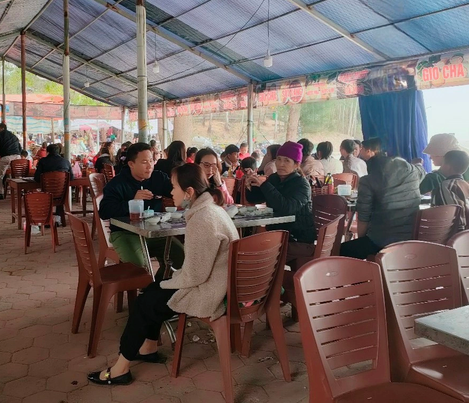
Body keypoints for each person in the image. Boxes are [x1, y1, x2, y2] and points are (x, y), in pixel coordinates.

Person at [88, 163, 238, 386]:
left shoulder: (203, 219)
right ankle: (148, 347)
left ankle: (120, 369)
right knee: (155, 288)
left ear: (189, 192)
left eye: (175, 187)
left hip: (210, 291)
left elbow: (195, 275)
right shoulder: (212, 210)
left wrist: (170, 281)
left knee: (145, 302)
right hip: (219, 282)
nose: (171, 192)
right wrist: (170, 280)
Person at [99, 143, 184, 280]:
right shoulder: (117, 184)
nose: (150, 166)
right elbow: (104, 211)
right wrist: (132, 201)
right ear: (131, 164)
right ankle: (147, 291)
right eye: (144, 162)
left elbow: (177, 190)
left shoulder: (158, 178)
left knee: (181, 257)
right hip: (125, 234)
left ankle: (158, 288)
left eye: (151, 160)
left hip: (154, 233)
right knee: (139, 268)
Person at [340, 145, 425, 260]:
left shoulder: (368, 181)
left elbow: (363, 217)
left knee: (339, 251)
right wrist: (418, 163)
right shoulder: (413, 172)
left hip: (382, 241)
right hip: (413, 238)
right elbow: (421, 169)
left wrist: (362, 240)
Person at [245, 141, 316, 263]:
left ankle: (272, 282)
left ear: (296, 165)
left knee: (257, 256)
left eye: (287, 160)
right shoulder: (274, 178)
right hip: (277, 236)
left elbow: (286, 208)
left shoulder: (302, 185)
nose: (281, 164)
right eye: (278, 159)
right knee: (246, 248)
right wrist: (249, 184)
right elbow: (254, 199)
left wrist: (265, 185)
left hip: (298, 240)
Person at [431, 150, 469, 230]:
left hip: (456, 236)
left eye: (442, 164)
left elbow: (454, 217)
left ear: (447, 167)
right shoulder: (467, 187)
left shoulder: (446, 186)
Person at [0, 123, 21, 200]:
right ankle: (20, 192)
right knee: (17, 175)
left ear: (1, 128)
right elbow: (20, 148)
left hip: (6, 157)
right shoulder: (14, 136)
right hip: (17, 157)